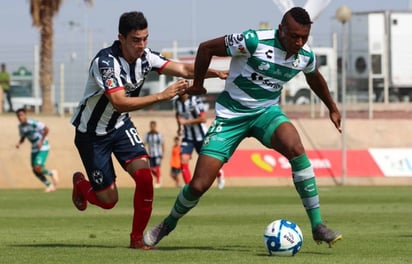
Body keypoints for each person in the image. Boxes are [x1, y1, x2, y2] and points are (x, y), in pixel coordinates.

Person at [144, 7, 342, 248]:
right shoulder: (253, 41)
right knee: (199, 184)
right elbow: (206, 48)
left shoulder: (305, 55)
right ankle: (168, 223)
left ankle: (318, 225)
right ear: (281, 30)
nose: (299, 42)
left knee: (296, 148)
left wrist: (331, 106)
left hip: (266, 113)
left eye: (304, 37)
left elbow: (314, 78)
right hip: (231, 116)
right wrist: (197, 85)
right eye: (294, 36)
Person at [70, 11, 227, 250]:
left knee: (145, 178)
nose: (142, 45)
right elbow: (119, 102)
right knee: (108, 200)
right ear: (121, 38)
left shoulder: (146, 57)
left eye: (145, 38)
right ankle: (82, 185)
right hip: (92, 134)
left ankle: (136, 239)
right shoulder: (106, 63)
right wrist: (163, 95)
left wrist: (215, 73)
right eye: (135, 40)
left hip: (120, 125)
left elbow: (184, 70)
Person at [174, 93, 225, 189]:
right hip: (188, 137)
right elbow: (178, 115)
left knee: (208, 163)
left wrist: (186, 122)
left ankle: (219, 174)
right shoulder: (177, 102)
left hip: (201, 136)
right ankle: (189, 189)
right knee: (183, 159)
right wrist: (179, 127)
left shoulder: (195, 100)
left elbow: (203, 119)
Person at [15, 108, 59, 192]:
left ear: (25, 115)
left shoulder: (33, 123)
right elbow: (23, 136)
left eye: (21, 115)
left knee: (37, 167)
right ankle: (50, 186)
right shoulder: (20, 126)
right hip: (34, 148)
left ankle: (52, 173)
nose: (20, 117)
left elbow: (46, 129)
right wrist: (19, 143)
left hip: (43, 146)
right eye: (18, 116)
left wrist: (41, 141)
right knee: (34, 170)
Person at [145, 120, 165, 188]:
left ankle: (158, 181)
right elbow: (145, 143)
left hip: (158, 154)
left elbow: (162, 144)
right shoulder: (147, 135)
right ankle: (159, 177)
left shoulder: (159, 135)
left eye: (153, 126)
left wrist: (163, 153)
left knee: (157, 168)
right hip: (151, 154)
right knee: (151, 169)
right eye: (151, 126)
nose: (152, 127)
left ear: (155, 126)